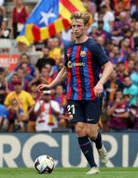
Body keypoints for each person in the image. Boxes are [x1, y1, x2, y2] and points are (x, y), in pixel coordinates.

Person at [38, 11, 113, 174]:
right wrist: (50, 85)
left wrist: (100, 83)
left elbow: (109, 66)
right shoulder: (69, 49)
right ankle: (93, 166)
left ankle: (100, 147)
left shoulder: (93, 46)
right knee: (80, 128)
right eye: (73, 26)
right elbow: (65, 70)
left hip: (93, 95)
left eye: (79, 26)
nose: (75, 29)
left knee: (92, 133)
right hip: (74, 96)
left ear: (86, 27)